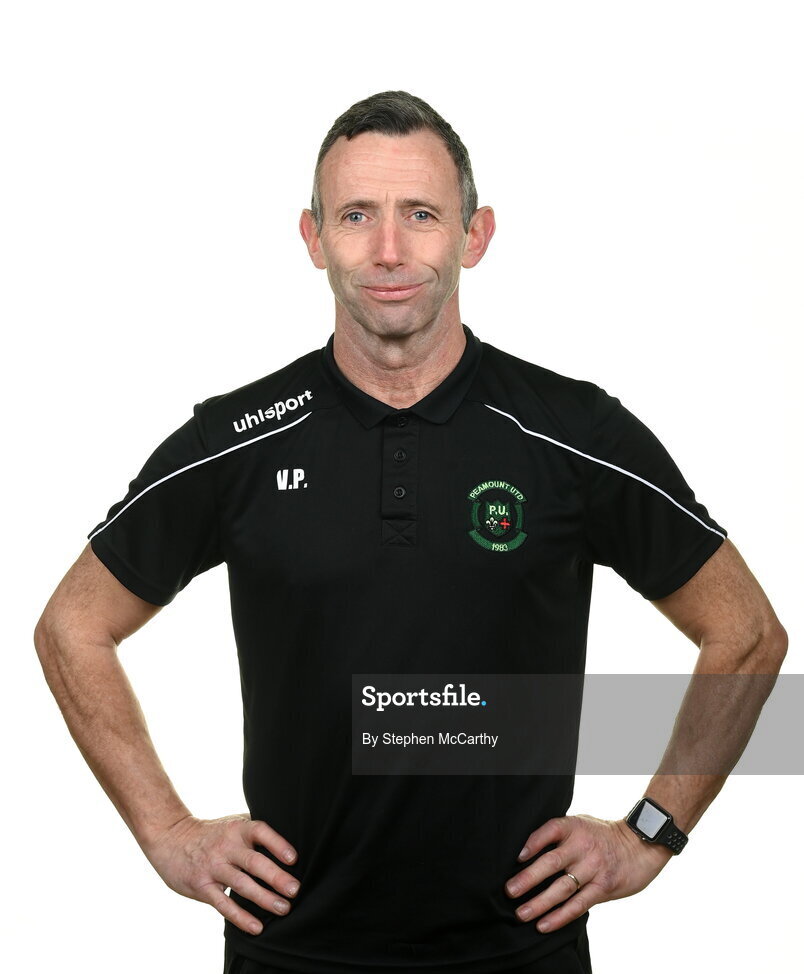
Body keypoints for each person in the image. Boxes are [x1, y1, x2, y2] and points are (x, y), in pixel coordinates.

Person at [34, 91, 787, 974]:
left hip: (519, 956)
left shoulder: (572, 433)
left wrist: (649, 834)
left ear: (474, 235)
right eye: (357, 215)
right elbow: (69, 628)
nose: (388, 250)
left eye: (420, 215)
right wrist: (166, 831)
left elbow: (747, 635)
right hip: (291, 956)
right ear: (314, 238)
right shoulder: (238, 441)